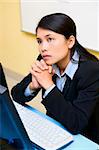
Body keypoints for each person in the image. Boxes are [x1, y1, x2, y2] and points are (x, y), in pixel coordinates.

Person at [11, 13, 99, 144]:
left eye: (50, 39)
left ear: (70, 41)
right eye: (39, 41)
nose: (43, 48)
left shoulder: (92, 70)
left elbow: (76, 123)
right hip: (55, 130)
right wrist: (32, 86)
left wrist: (48, 85)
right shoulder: (46, 59)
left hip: (85, 138)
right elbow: (15, 95)